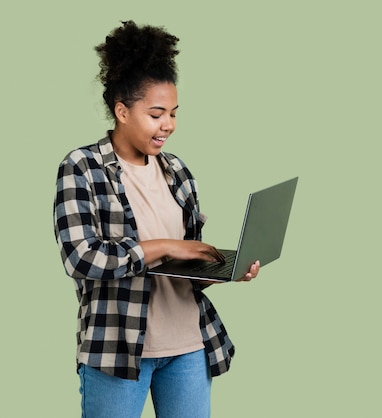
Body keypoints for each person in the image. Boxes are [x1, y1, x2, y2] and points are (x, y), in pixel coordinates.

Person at [53, 20, 259, 418]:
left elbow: (181, 268)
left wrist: (222, 270)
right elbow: (81, 259)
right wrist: (166, 245)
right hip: (117, 350)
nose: (168, 125)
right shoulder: (81, 167)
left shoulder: (177, 171)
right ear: (122, 111)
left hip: (188, 347)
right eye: (156, 113)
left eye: (174, 113)